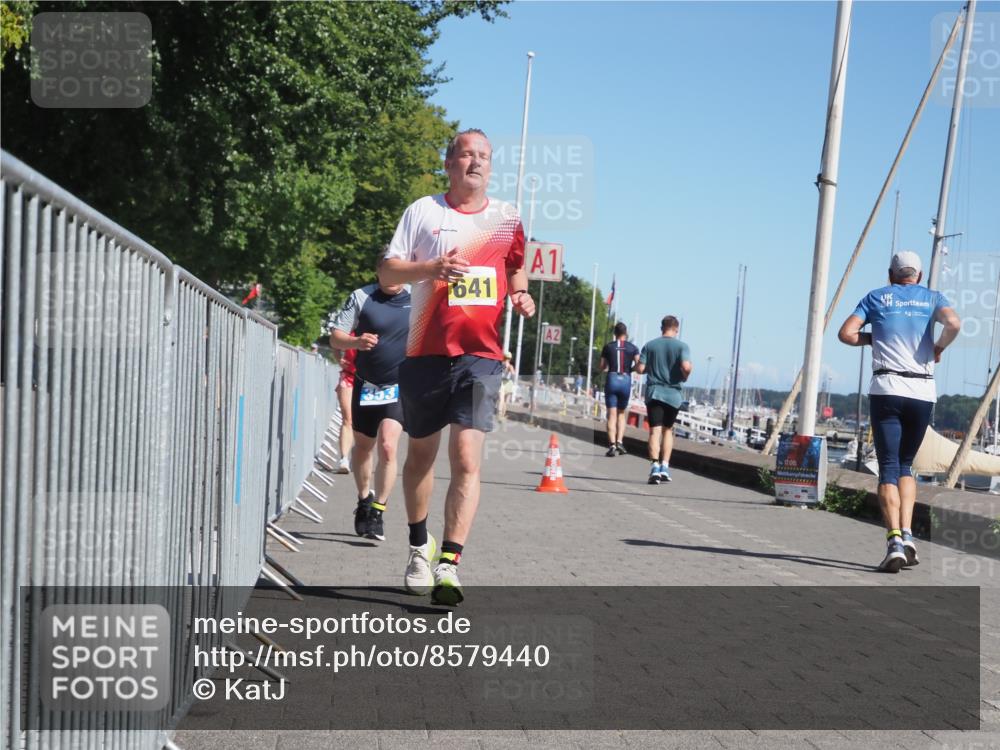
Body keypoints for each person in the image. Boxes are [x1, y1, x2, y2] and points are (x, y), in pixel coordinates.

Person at [382, 128, 535, 605]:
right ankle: (417, 546)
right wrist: (430, 270)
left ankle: (449, 564)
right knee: (420, 458)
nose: (476, 163)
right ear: (448, 163)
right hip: (426, 351)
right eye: (466, 155)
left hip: (481, 356)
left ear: (491, 166)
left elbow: (514, 267)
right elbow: (386, 273)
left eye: (484, 156)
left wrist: (521, 291)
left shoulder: (507, 218)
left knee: (467, 457)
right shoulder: (423, 212)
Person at [838, 251, 960, 573]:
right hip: (922, 392)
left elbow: (845, 333)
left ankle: (893, 540)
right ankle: (908, 535)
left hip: (887, 389)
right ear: (918, 276)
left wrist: (872, 338)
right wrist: (938, 347)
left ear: (890, 275)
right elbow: (954, 323)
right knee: (906, 465)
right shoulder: (932, 298)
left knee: (888, 466)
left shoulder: (875, 297)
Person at [329, 252, 412, 542]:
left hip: (400, 386)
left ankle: (378, 510)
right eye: (388, 270)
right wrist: (355, 342)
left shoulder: (419, 297)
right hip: (366, 384)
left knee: (389, 446)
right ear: (378, 271)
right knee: (364, 447)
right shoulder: (362, 297)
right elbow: (335, 336)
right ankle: (364, 499)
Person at [637, 316, 692, 484]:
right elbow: (686, 367)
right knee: (668, 431)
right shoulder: (682, 346)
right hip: (673, 395)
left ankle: (654, 467)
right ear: (676, 329)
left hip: (654, 393)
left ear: (662, 327)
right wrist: (686, 375)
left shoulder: (650, 345)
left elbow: (640, 369)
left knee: (655, 431)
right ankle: (665, 467)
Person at [599, 322, 640, 457]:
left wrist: (608, 367)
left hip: (612, 378)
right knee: (621, 414)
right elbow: (640, 367)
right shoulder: (633, 348)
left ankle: (611, 445)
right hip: (626, 380)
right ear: (626, 333)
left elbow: (602, 366)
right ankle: (620, 442)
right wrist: (631, 369)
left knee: (611, 414)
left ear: (614, 333)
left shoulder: (608, 347)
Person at [334, 347, 356, 474]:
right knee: (348, 419)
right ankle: (344, 459)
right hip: (349, 375)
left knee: (366, 422)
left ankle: (360, 456)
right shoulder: (351, 327)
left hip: (371, 378)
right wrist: (339, 359)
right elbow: (335, 342)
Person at [498, 351, 516, 420]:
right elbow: (513, 373)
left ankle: (500, 414)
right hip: (508, 383)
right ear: (510, 358)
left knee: (501, 399)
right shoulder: (510, 366)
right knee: (505, 401)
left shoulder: (500, 364)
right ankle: (502, 415)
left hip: (501, 382)